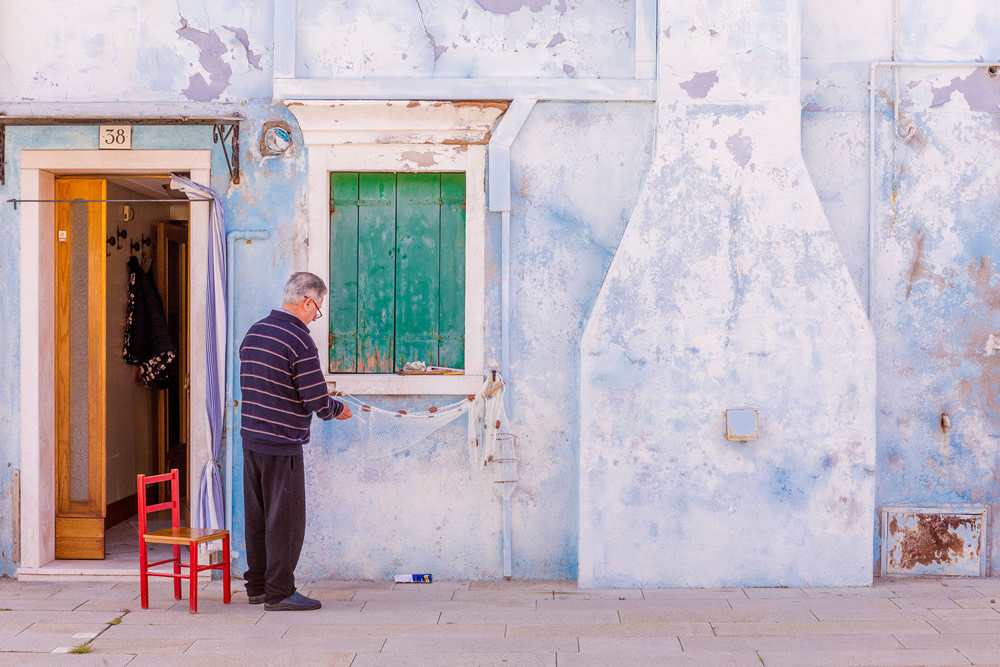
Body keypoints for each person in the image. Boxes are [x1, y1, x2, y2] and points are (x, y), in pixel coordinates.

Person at [238, 271, 352, 611]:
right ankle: (279, 592)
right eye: (317, 310)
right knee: (285, 520)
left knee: (257, 517)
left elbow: (269, 381)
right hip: (281, 442)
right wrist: (337, 409)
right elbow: (315, 399)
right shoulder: (299, 339)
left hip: (251, 439)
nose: (315, 316)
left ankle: (257, 586)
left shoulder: (255, 331)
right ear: (307, 301)